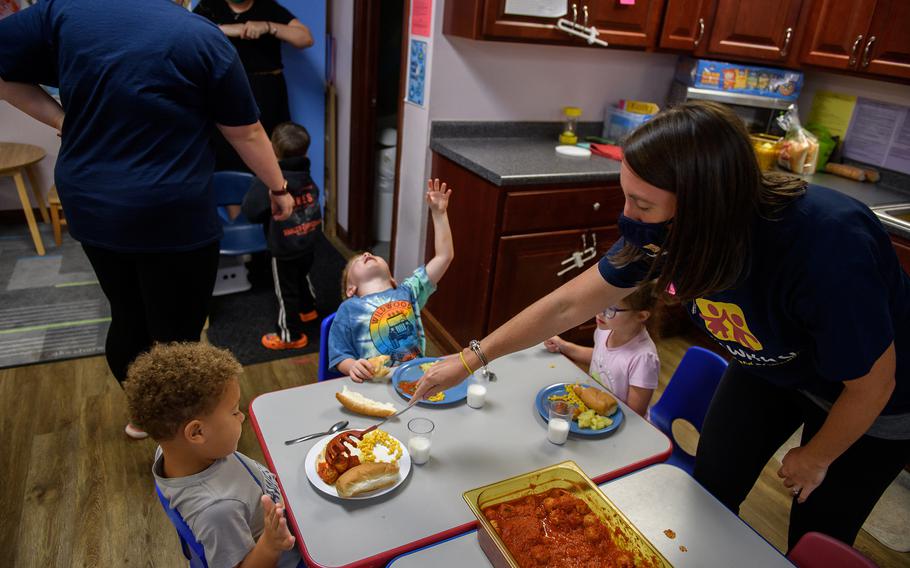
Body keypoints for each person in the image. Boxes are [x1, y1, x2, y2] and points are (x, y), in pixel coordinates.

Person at [414, 101, 909, 550]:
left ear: (704, 208)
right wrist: (469, 358)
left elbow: (872, 383)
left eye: (643, 205)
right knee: (711, 488)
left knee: (818, 530)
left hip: (876, 393)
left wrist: (819, 455)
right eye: (626, 196)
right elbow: (566, 305)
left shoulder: (827, 244)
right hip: (771, 368)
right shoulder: (665, 234)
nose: (628, 216)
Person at [0, 0, 293, 439]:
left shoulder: (61, 12)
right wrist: (278, 188)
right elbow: (246, 132)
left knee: (127, 313)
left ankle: (143, 415)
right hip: (171, 211)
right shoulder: (200, 35)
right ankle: (179, 430)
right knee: (177, 332)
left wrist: (64, 120)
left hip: (94, 204)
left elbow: (7, 77)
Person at [124, 342, 300, 568]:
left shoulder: (173, 451)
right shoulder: (219, 510)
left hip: (273, 505)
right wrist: (270, 544)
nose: (242, 417)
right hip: (285, 554)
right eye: (234, 410)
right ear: (197, 432)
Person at [329, 179, 454, 382]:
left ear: (393, 280)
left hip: (417, 378)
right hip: (375, 383)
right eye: (357, 261)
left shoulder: (408, 291)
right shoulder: (348, 308)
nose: (366, 254)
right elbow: (339, 355)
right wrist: (352, 366)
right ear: (351, 289)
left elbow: (444, 257)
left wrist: (439, 214)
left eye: (371, 254)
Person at [194, 0, 313, 171]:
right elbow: (190, 33)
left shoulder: (267, 7)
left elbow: (305, 38)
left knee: (269, 151)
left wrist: (268, 26)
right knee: (225, 149)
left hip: (268, 92)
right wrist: (226, 29)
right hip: (226, 91)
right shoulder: (209, 6)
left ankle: (271, 194)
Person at [242, 122, 322, 350]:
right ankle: (308, 309)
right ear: (305, 151)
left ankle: (291, 336)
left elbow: (250, 211)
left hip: (284, 248)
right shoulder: (305, 175)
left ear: (273, 150)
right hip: (308, 241)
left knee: (285, 291)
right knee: (302, 275)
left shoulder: (270, 180)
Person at [544, 281, 659, 417]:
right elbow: (601, 358)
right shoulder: (606, 329)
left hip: (620, 420)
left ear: (641, 316)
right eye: (601, 303)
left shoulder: (644, 358)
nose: (599, 313)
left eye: (610, 309)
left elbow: (635, 414)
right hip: (595, 407)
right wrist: (563, 345)